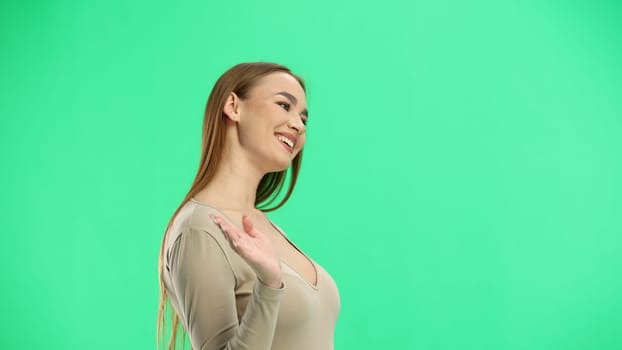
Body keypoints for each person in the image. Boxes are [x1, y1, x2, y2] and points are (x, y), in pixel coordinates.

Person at [156, 62, 341, 350]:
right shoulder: (199, 230)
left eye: (304, 119)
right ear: (233, 106)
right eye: (284, 105)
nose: (298, 125)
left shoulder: (266, 227)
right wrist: (268, 285)